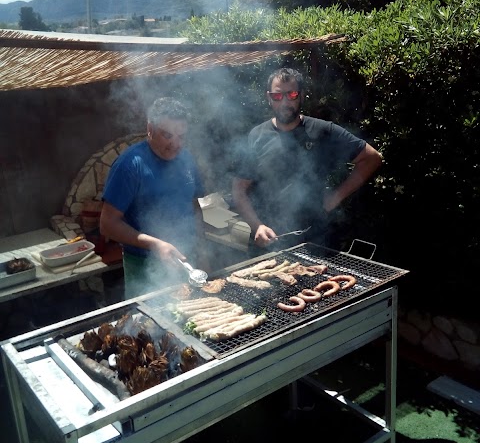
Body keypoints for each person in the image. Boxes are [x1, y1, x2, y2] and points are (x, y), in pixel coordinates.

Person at [232, 67, 382, 254]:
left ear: (302, 96)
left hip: (316, 238)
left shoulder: (323, 130)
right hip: (270, 240)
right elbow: (239, 189)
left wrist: (335, 197)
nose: (285, 101)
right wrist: (257, 226)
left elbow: (371, 158)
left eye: (292, 94)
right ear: (269, 98)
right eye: (278, 96)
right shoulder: (257, 135)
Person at [100, 97, 208, 298]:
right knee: (150, 326)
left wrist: (202, 249)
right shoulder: (130, 164)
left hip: (187, 260)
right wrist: (156, 244)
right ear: (150, 128)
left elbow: (194, 206)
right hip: (144, 266)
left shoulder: (186, 159)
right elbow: (107, 224)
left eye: (181, 136)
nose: (175, 144)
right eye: (167, 135)